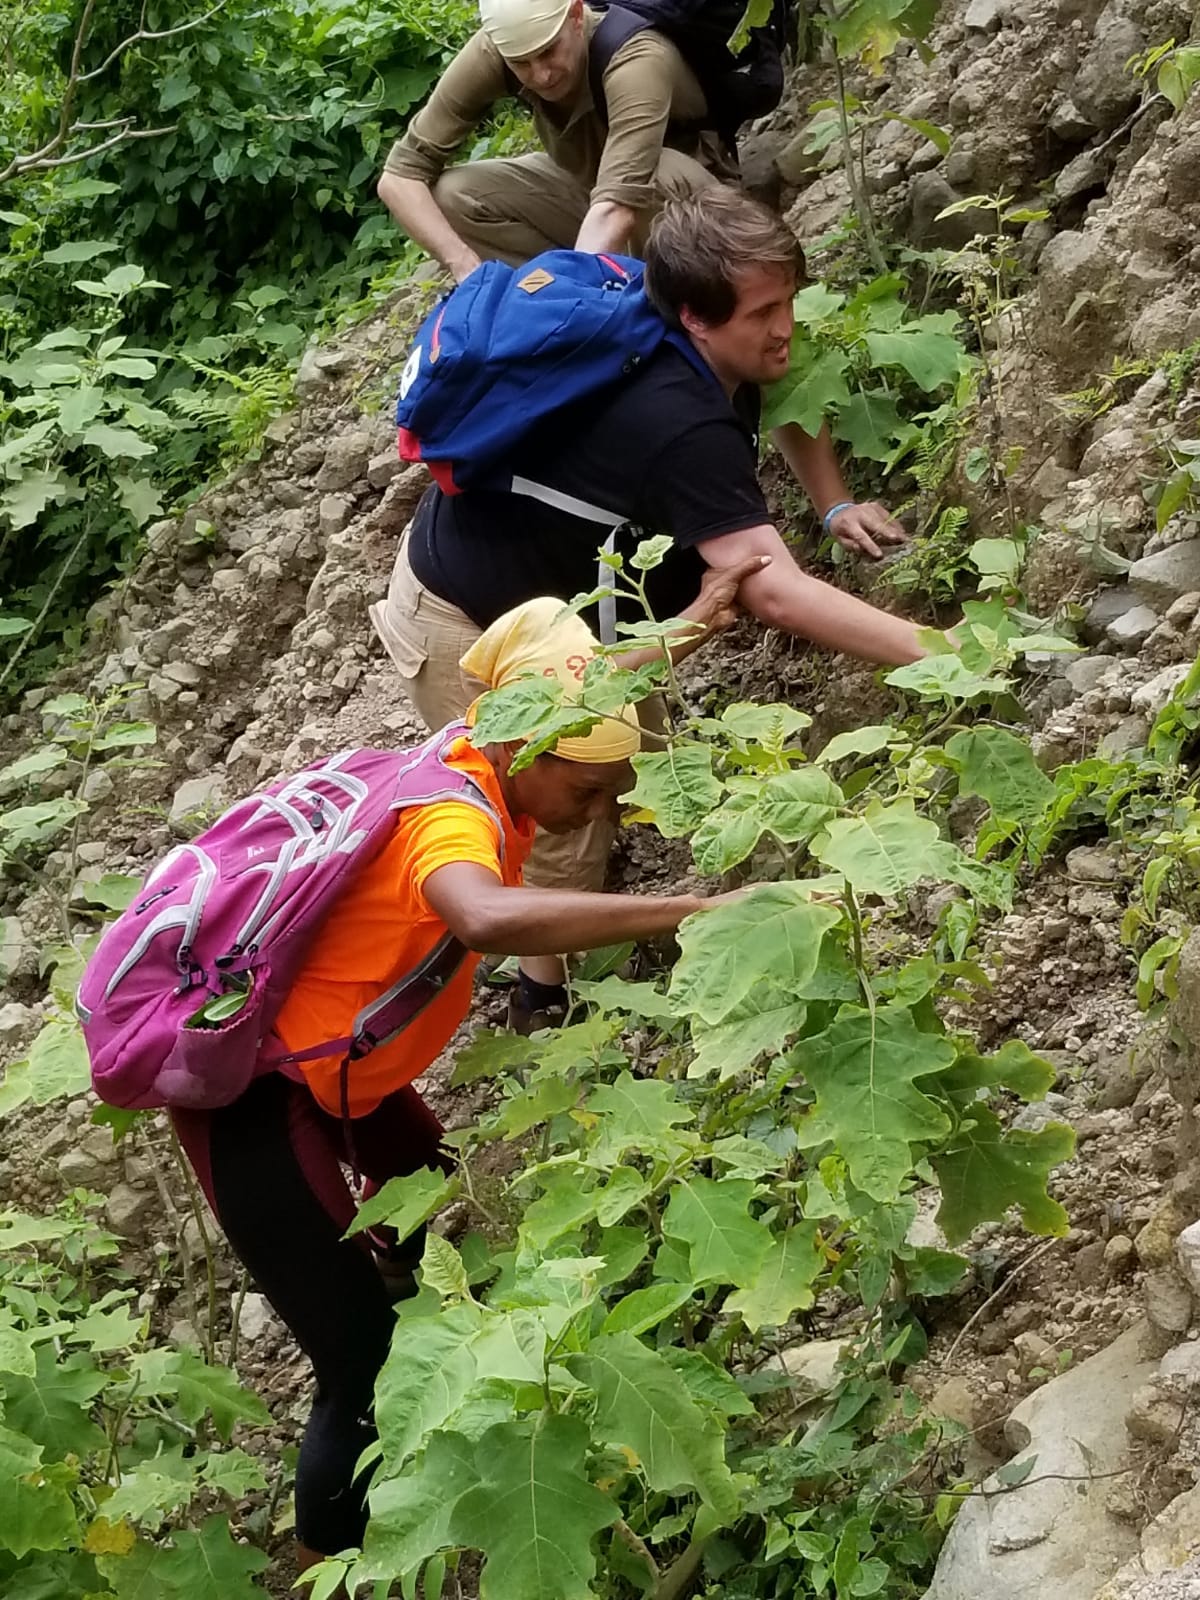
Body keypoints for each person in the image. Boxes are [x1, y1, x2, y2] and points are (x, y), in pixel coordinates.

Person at [169, 598, 735, 1579]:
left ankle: (411, 1378)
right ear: (532, 753)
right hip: (258, 1098)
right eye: (591, 791)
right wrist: (696, 906)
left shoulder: (492, 731)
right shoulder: (449, 815)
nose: (598, 813)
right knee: (363, 1372)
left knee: (444, 1217)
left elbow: (575, 679)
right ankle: (321, 1567)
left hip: (342, 1071)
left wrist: (690, 623)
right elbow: (480, 916)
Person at [370, 186, 916, 1022]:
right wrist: (943, 656)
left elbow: (784, 387)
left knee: (634, 753)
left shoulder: (652, 304)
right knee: (562, 801)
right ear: (697, 317)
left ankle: (586, 919)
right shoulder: (677, 418)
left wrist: (834, 504)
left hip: (560, 608)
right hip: (468, 622)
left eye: (789, 301)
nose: (785, 327)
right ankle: (540, 1001)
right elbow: (768, 586)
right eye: (764, 311)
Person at [377, 0, 726, 275]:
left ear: (575, 15)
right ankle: (575, 288)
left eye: (548, 52)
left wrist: (572, 293)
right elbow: (398, 178)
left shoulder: (636, 57)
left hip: (689, 205)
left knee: (653, 175)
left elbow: (618, 206)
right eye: (521, 64)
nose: (540, 75)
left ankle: (645, 300)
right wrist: (464, 266)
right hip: (593, 196)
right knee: (451, 196)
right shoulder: (499, 51)